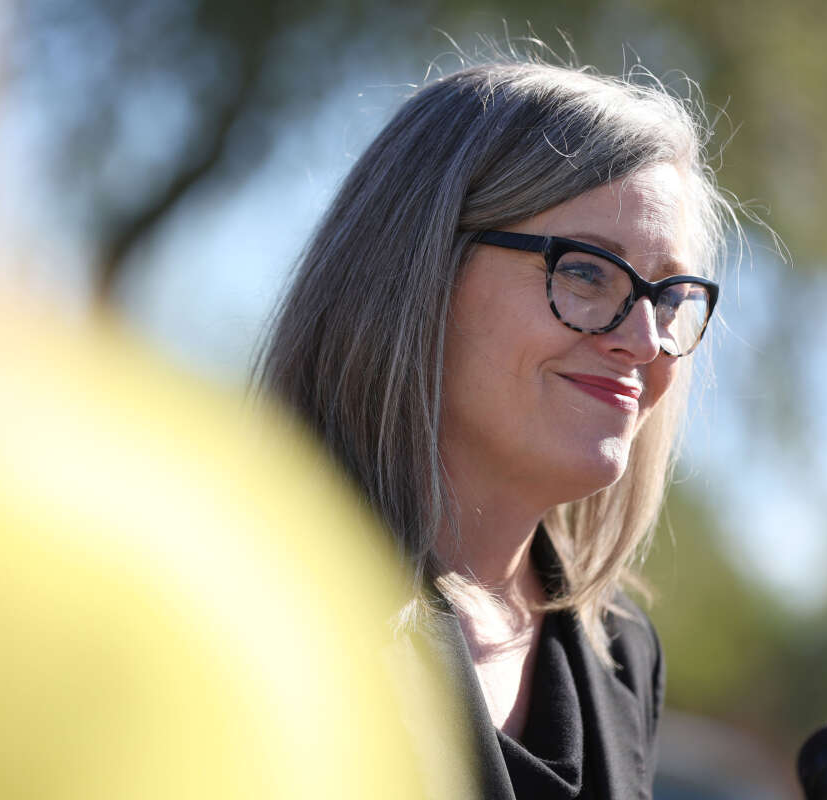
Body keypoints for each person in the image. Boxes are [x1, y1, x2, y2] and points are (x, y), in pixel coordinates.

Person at [257, 58, 738, 799]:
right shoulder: (263, 601)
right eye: (586, 272)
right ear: (416, 272)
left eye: (668, 297)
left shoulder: (620, 655)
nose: (643, 341)